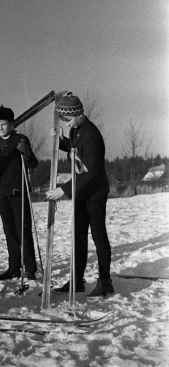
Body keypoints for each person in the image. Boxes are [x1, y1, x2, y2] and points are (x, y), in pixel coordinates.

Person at [45, 92, 114, 297]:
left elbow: (91, 172)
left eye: (68, 119)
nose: (66, 124)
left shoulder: (92, 135)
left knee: (98, 237)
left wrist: (63, 190)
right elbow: (75, 149)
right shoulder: (77, 129)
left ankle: (105, 281)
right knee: (78, 237)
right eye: (63, 120)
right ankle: (77, 281)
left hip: (94, 193)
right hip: (81, 192)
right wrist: (60, 141)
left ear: (78, 113)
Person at [0, 105, 38, 281]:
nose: (1, 128)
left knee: (22, 230)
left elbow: (33, 163)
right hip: (1, 193)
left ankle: (31, 269)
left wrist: (26, 154)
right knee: (9, 231)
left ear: (11, 123)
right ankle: (14, 268)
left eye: (4, 124)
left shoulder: (20, 138)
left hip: (18, 190)